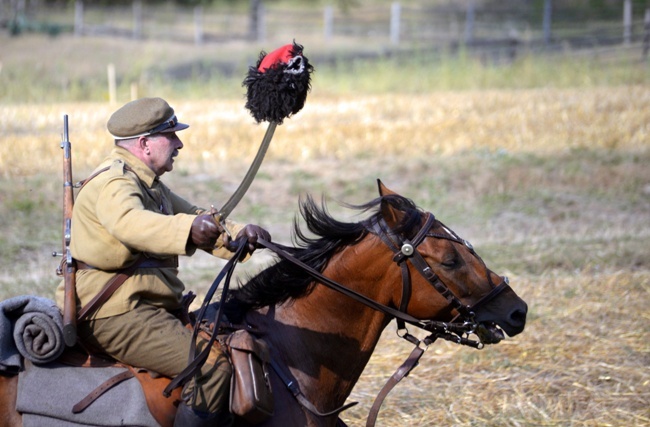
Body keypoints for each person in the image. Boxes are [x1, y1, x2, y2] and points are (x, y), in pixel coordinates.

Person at [56, 97, 271, 426]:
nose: (179, 143)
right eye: (171, 135)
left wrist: (240, 234)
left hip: (142, 307)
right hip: (115, 313)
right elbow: (131, 223)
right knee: (212, 367)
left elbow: (197, 217)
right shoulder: (116, 183)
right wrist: (188, 229)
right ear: (144, 144)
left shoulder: (150, 185)